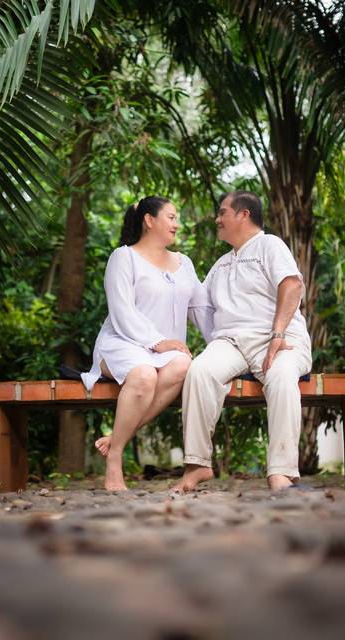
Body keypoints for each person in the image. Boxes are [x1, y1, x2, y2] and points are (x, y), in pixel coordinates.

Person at [173, 190, 312, 492]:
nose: (217, 219)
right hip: (231, 343)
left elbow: (292, 284)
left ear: (243, 215)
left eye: (223, 212)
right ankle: (197, 465)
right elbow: (197, 306)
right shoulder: (221, 264)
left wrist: (277, 334)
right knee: (199, 371)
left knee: (282, 375)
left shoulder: (269, 245)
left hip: (279, 339)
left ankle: (281, 473)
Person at [82, 196, 213, 491]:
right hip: (122, 342)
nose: (177, 224)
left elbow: (201, 311)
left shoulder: (184, 263)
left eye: (176, 217)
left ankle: (116, 437)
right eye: (171, 217)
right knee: (143, 374)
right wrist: (157, 341)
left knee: (183, 364)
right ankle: (115, 460)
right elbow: (121, 310)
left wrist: (223, 348)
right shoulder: (123, 257)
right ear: (149, 220)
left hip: (164, 352)